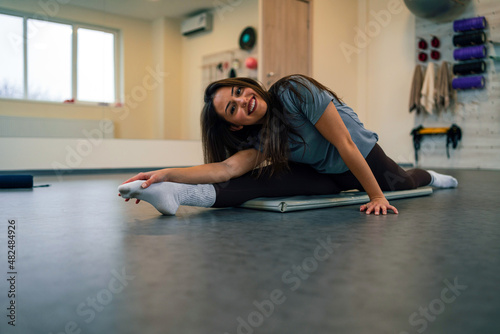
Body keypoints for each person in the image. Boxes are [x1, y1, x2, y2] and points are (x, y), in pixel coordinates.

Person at [118, 74, 457, 215]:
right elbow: (227, 168)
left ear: (247, 84)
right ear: (235, 124)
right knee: (257, 180)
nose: (243, 101)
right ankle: (176, 196)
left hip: (362, 158)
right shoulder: (261, 135)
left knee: (407, 182)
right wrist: (165, 175)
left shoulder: (294, 91)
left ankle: (429, 174)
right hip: (324, 172)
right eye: (232, 108)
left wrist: (378, 196)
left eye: (238, 91)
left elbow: (345, 144)